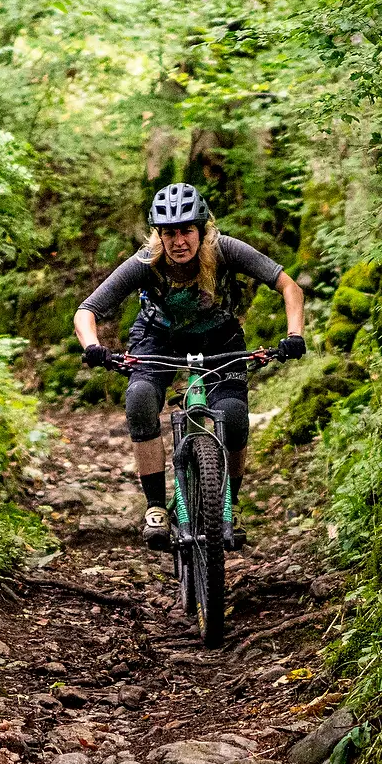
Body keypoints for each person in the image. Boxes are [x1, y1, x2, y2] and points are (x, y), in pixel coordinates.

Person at [74, 182, 307, 549]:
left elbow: (290, 287)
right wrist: (93, 347)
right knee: (140, 399)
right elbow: (87, 310)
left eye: (186, 231)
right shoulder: (145, 261)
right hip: (158, 338)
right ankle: (156, 507)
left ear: (201, 229)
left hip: (219, 338)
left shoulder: (226, 249)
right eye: (169, 233)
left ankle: (228, 505)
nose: (178, 241)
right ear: (159, 235)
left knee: (234, 415)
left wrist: (294, 335)